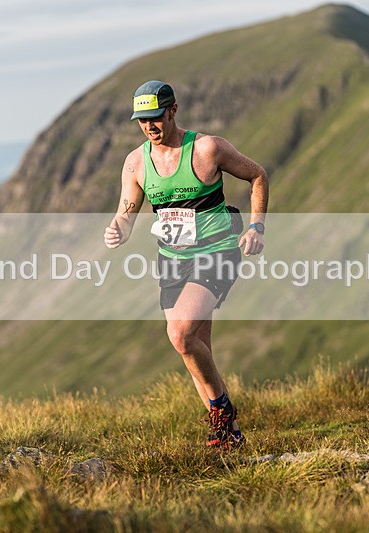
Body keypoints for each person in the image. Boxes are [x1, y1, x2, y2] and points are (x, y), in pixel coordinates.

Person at [103, 80, 268, 450]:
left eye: (155, 117)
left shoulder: (208, 149)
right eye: (142, 121)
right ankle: (228, 438)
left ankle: (222, 412)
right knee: (193, 346)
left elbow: (258, 175)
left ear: (172, 110)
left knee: (179, 334)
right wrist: (117, 231)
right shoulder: (135, 163)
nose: (149, 127)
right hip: (172, 260)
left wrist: (257, 227)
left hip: (218, 250)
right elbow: (125, 217)